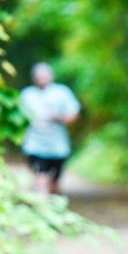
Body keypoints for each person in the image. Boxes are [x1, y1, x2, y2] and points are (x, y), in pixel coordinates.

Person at [19, 62, 81, 195]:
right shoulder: (26, 95)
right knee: (41, 177)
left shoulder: (62, 92)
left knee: (55, 183)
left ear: (51, 76)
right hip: (34, 144)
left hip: (58, 146)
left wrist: (58, 117)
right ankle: (42, 205)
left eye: (44, 75)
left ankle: (54, 205)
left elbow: (74, 114)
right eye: (38, 76)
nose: (42, 78)